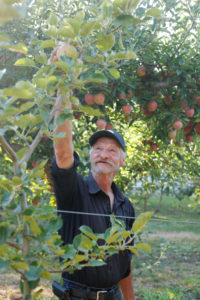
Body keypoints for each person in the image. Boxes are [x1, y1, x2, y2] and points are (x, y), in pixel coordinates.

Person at [50, 45, 136, 300]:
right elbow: (63, 152)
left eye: (112, 150)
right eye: (98, 148)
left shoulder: (125, 205)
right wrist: (64, 87)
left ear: (121, 161)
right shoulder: (74, 192)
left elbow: (125, 263)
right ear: (90, 156)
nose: (103, 154)